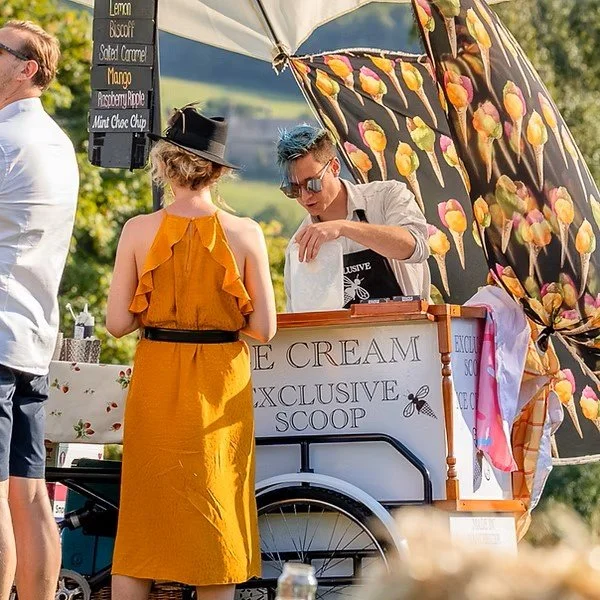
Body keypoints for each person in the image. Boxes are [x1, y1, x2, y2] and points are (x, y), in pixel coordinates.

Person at [106, 105, 276, 600]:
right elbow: (264, 328)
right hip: (220, 388)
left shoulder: (138, 230)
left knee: (143, 528)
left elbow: (117, 323)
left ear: (164, 164)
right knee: (215, 522)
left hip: (157, 381)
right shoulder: (245, 233)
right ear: (219, 171)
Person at [0, 20, 79, 600]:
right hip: (29, 337)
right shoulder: (57, 142)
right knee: (28, 495)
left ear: (26, 68)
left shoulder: (7, 140)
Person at [277, 125, 430, 310]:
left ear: (334, 167)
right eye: (293, 189)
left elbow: (416, 247)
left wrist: (343, 228)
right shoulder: (299, 244)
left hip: (407, 326)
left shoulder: (387, 196)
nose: (305, 196)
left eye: (313, 184)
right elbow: (300, 313)